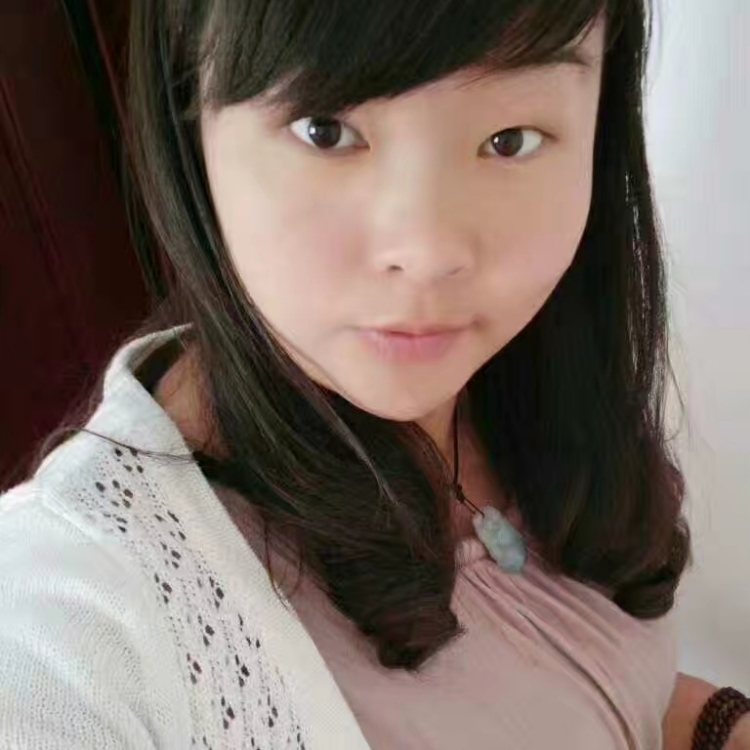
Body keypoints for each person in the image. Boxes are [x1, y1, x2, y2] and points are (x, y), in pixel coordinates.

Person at [0, 1, 748, 748]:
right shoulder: (72, 617)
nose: (427, 251)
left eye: (509, 140)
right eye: (325, 131)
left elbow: (598, 699)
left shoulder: (528, 389)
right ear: (190, 118)